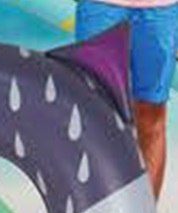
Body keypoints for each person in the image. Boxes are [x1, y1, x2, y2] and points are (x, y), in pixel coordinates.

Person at [76, 0, 178, 197]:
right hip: (100, 5)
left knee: (151, 116)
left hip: (161, 9)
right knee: (94, 116)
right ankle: (97, 207)